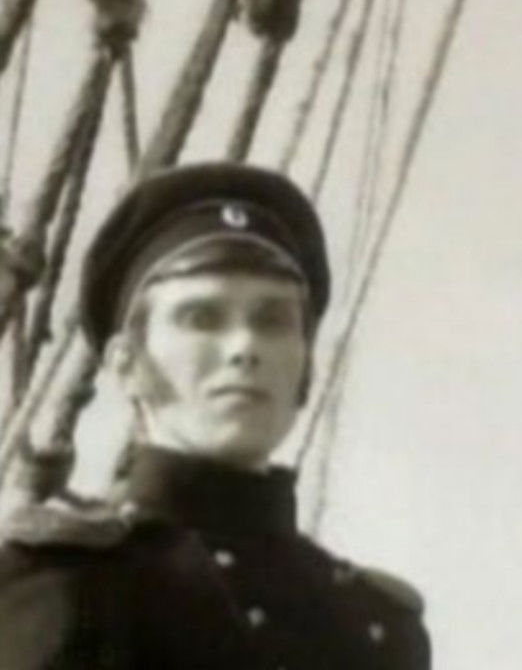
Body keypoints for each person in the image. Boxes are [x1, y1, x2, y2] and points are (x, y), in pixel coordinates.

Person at [0, 163, 430, 668]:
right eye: (201, 318)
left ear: (306, 365)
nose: (245, 346)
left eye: (272, 320)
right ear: (127, 365)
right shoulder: (60, 587)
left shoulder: (377, 629)